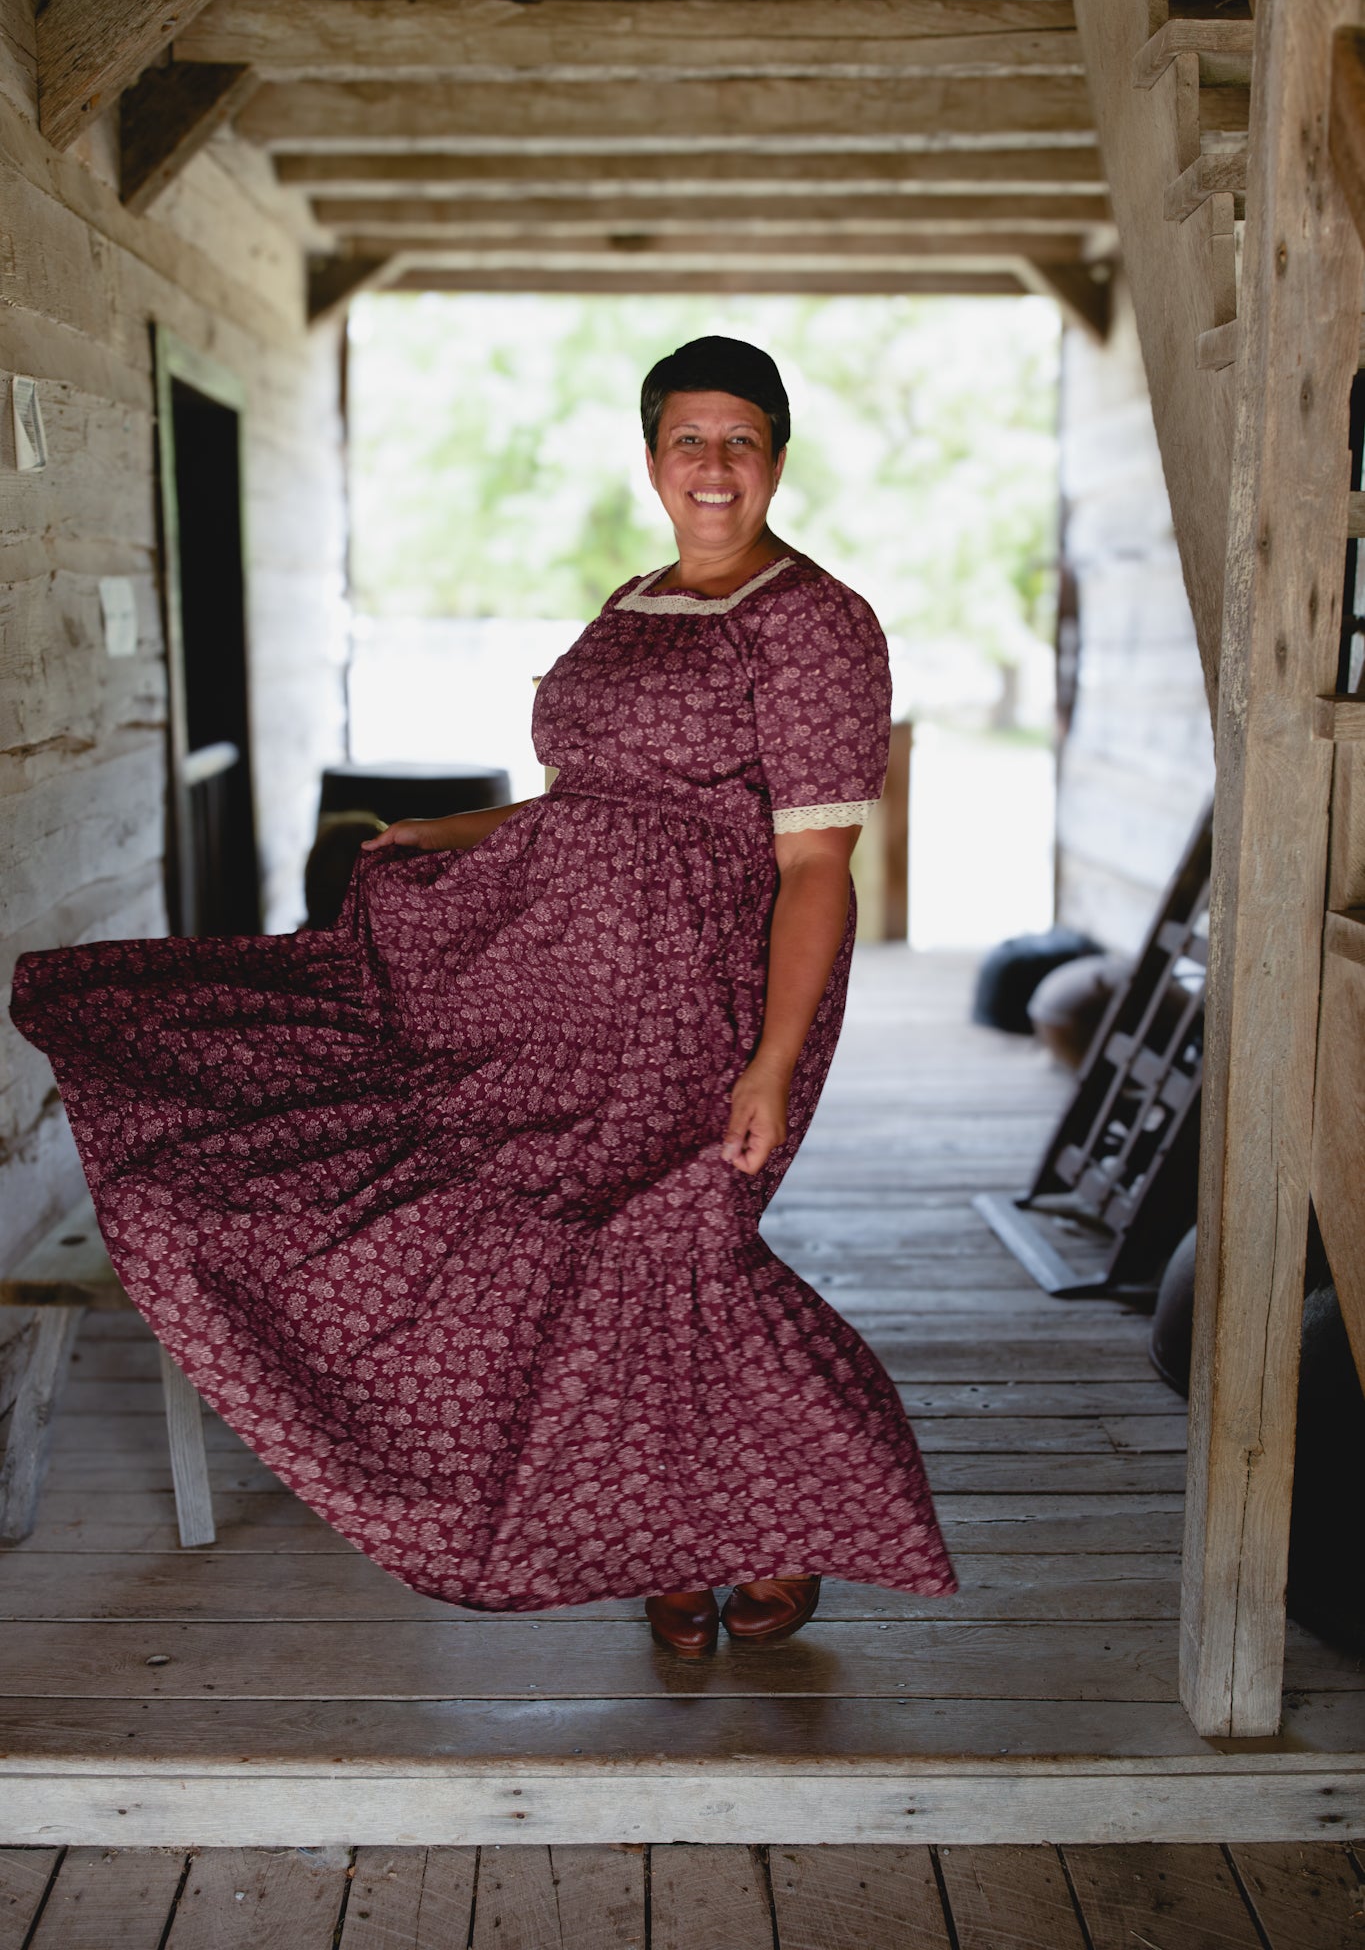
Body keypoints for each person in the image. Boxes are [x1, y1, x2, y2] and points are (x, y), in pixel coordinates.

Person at [9, 335, 954, 1657]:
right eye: (689, 437)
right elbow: (584, 808)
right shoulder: (630, 601)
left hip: (694, 1006)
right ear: (650, 458)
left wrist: (771, 1057)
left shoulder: (813, 622)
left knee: (671, 1250)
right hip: (534, 982)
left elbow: (815, 864)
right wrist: (442, 837)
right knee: (546, 1250)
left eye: (741, 438)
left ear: (779, 459)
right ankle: (682, 1528)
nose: (715, 466)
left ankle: (795, 1521)